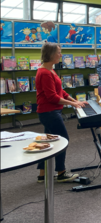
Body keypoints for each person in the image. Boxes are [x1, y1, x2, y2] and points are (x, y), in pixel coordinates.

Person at [36, 43, 88, 183]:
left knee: (48, 141)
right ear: (51, 54)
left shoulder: (50, 70)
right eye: (58, 52)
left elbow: (61, 92)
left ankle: (42, 174)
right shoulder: (45, 73)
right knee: (62, 139)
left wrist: (74, 101)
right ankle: (61, 173)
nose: (61, 55)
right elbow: (52, 97)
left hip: (51, 112)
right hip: (49, 112)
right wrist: (73, 104)